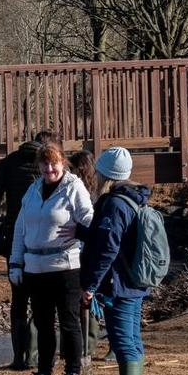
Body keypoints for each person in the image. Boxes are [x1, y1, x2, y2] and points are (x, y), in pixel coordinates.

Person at [9, 142, 94, 375]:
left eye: (54, 163)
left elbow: (91, 220)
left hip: (66, 266)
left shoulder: (73, 187)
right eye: (44, 164)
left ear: (62, 163)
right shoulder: (33, 190)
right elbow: (20, 230)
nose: (49, 168)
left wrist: (80, 232)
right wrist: (16, 262)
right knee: (43, 324)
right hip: (35, 267)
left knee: (69, 323)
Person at [81, 147, 150, 375]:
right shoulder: (134, 198)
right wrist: (82, 231)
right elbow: (109, 237)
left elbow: (107, 248)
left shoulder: (114, 204)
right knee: (131, 338)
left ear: (104, 173)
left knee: (123, 340)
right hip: (133, 281)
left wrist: (91, 285)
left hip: (119, 283)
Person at [0, 130, 56, 370]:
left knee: (18, 297)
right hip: (41, 238)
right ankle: (33, 356)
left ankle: (18, 358)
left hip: (13, 235)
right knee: (41, 296)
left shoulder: (9, 161)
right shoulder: (47, 164)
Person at [68, 149, 107, 361]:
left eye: (72, 169)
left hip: (82, 250)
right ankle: (87, 345)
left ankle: (85, 346)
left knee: (85, 298)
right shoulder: (100, 192)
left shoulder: (81, 192)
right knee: (91, 299)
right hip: (90, 250)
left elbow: (88, 224)